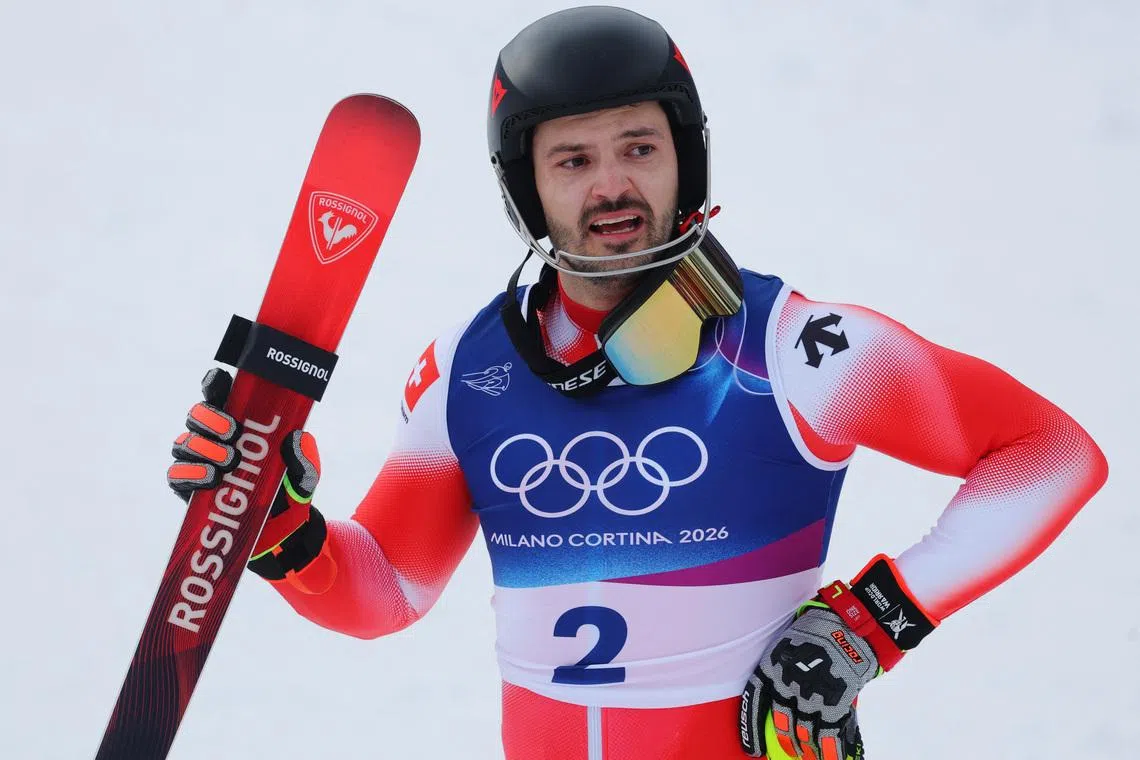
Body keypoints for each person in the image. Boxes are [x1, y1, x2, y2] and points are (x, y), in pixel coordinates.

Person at [167, 6, 1107, 759]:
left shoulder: (797, 351)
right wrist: (278, 527)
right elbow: (383, 593)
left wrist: (869, 626)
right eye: (573, 160)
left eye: (639, 148)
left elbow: (1051, 454)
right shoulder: (470, 370)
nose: (611, 185)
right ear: (526, 187)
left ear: (685, 158)